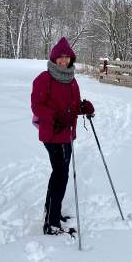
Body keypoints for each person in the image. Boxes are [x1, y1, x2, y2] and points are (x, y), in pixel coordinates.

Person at [31, 37, 95, 235]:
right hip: (52, 134)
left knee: (59, 174)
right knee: (61, 175)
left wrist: (84, 107)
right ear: (53, 58)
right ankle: (50, 223)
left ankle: (52, 212)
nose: (63, 61)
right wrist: (54, 118)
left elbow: (73, 106)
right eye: (60, 57)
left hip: (67, 133)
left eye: (66, 57)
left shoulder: (71, 80)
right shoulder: (44, 78)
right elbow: (37, 106)